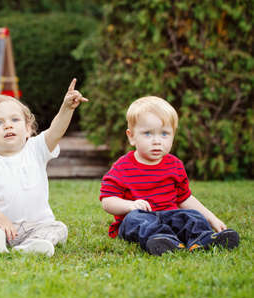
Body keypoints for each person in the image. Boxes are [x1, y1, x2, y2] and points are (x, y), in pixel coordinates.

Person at [100, 96, 239, 256]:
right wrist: (131, 206)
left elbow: (185, 199)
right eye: (148, 134)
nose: (157, 141)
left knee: (191, 216)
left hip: (170, 216)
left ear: (173, 135)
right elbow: (107, 201)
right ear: (131, 136)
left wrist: (211, 218)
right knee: (135, 219)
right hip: (138, 219)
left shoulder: (175, 165)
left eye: (164, 134)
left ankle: (203, 239)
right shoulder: (122, 167)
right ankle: (161, 240)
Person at [0, 79, 88, 257]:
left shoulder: (36, 149)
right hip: (0, 225)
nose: (8, 125)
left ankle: (31, 246)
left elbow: (55, 131)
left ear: (27, 129)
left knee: (58, 228)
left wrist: (67, 108)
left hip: (35, 225)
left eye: (14, 120)